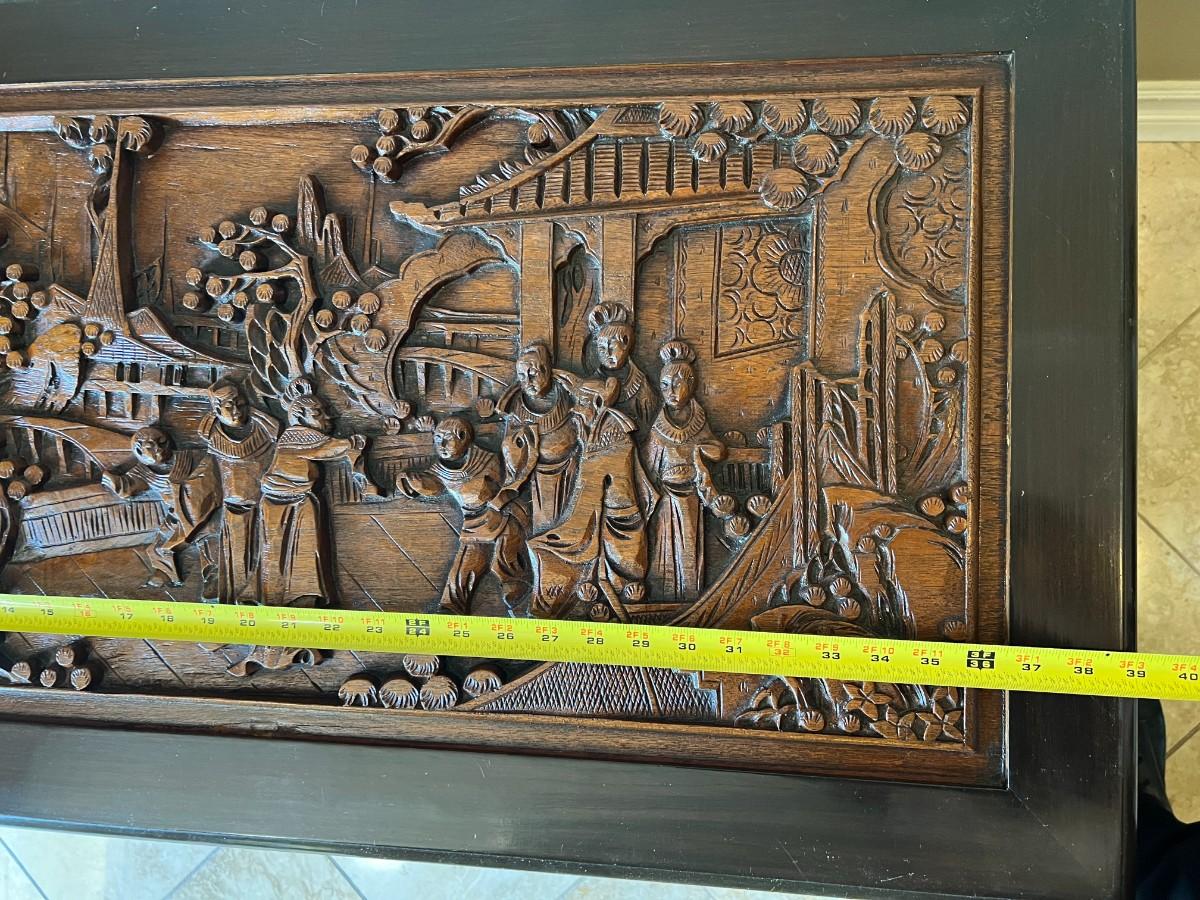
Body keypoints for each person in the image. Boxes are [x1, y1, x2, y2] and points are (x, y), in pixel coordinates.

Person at [527, 377, 658, 619]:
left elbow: (591, 493)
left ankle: (566, 600)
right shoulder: (595, 432)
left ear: (597, 403)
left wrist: (567, 534)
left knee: (546, 547)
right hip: (601, 516)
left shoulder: (613, 437)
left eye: (581, 402)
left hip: (619, 525)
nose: (575, 409)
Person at [395, 415, 530, 614]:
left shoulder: (486, 459)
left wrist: (496, 501)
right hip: (473, 522)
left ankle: (518, 595)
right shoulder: (440, 469)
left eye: (447, 439)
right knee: (466, 565)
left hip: (502, 514)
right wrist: (412, 481)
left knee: (506, 560)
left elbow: (502, 485)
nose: (441, 445)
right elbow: (433, 487)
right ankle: (452, 607)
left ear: (463, 436)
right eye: (438, 439)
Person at [256, 377, 364, 608]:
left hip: (297, 501)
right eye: (318, 413)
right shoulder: (296, 435)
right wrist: (352, 442)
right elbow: (327, 449)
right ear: (299, 417)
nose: (327, 418)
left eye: (324, 412)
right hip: (281, 503)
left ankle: (301, 595)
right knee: (279, 553)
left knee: (301, 552)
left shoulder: (304, 435)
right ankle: (281, 601)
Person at [646, 341, 725, 603]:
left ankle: (690, 595)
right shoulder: (658, 428)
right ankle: (666, 595)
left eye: (677, 383)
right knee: (665, 548)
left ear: (691, 385)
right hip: (664, 497)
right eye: (665, 385)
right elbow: (649, 466)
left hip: (691, 494)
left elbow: (718, 450)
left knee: (689, 546)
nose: (671, 391)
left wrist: (701, 451)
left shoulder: (698, 422)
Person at [103, 426, 220, 587]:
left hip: (202, 510)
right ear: (139, 450)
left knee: (208, 535)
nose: (159, 449)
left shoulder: (190, 457)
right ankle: (167, 573)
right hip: (176, 516)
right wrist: (109, 476)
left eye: (162, 443)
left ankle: (214, 575)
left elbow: (210, 472)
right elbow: (126, 489)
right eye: (150, 446)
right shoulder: (144, 471)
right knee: (157, 547)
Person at [198, 381, 279, 604]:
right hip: (234, 507)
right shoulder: (212, 436)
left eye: (241, 404)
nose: (237, 411)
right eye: (229, 406)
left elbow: (274, 431)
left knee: (265, 553)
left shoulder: (266, 429)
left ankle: (260, 593)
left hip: (266, 506)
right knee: (237, 556)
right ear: (216, 409)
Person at [497, 342, 580, 532]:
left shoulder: (567, 394)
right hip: (532, 480)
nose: (527, 382)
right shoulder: (515, 406)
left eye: (533, 374)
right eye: (521, 376)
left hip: (570, 471)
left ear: (546, 370)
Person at [587, 302, 657, 430]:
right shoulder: (590, 386)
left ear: (626, 344)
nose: (607, 354)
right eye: (602, 348)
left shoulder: (641, 385)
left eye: (612, 347)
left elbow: (650, 424)